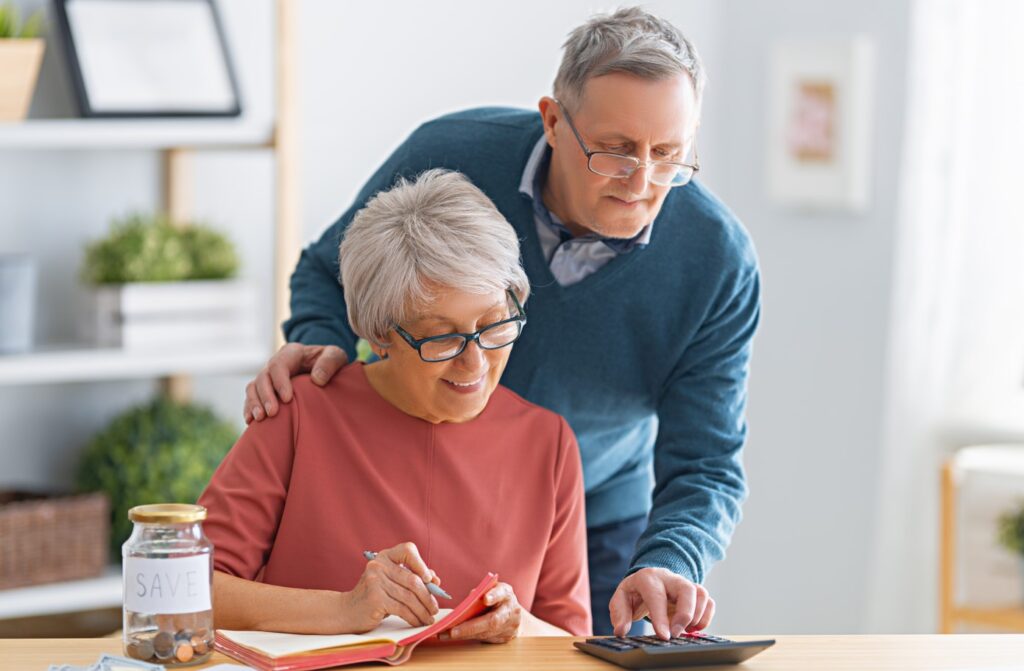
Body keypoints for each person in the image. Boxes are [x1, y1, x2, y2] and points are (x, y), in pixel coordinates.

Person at [245, 7, 759, 639]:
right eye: (615, 151)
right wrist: (322, 351)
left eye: (670, 154)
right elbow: (330, 270)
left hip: (596, 514)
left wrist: (669, 559)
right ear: (552, 122)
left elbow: (707, 461)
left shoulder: (717, 261)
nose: (642, 180)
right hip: (417, 478)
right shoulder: (450, 154)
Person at [200, 170, 591, 641]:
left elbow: (572, 642)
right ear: (380, 333)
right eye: (442, 337)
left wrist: (519, 625)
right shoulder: (298, 414)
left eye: (494, 325)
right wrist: (344, 610)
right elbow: (185, 589)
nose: (475, 364)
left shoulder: (548, 442)